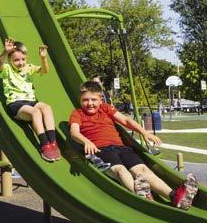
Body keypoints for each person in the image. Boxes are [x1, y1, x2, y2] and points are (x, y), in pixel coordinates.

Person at [69, 81, 199, 210]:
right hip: (101, 150)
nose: (90, 103)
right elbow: (74, 132)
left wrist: (143, 132)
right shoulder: (77, 113)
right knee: (120, 170)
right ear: (80, 100)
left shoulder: (105, 108)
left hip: (121, 148)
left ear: (100, 99)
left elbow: (126, 120)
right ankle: (141, 197)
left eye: (93, 100)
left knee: (142, 170)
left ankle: (174, 196)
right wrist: (86, 141)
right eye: (85, 100)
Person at [0, 37, 61, 162]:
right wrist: (5, 51)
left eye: (23, 59)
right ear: (9, 60)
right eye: (16, 60)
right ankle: (44, 144)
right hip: (16, 104)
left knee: (46, 108)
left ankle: (53, 142)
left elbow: (44, 70)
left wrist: (43, 58)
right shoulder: (7, 69)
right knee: (35, 112)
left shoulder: (28, 67)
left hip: (31, 101)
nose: (20, 63)